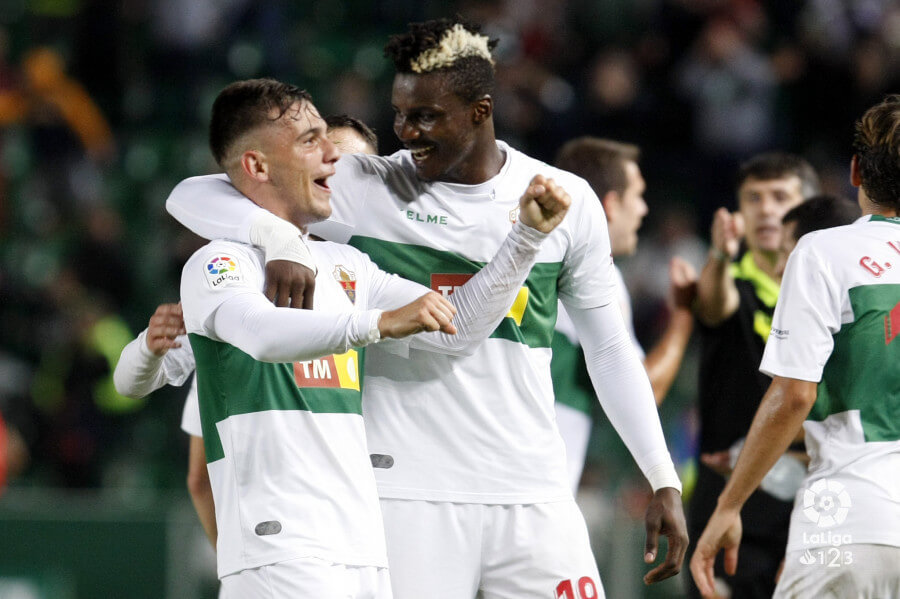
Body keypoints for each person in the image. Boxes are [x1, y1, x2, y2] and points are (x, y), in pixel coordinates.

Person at [165, 19, 687, 598]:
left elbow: (610, 349)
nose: (406, 132)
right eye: (399, 113)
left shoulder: (564, 199)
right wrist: (282, 241)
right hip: (405, 491)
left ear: (480, 111)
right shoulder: (364, 186)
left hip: (534, 489)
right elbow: (194, 192)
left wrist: (661, 476)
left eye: (427, 117)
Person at [184, 78, 572, 597]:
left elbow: (454, 330)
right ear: (257, 166)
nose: (332, 157)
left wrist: (525, 239)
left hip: (361, 550)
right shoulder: (219, 261)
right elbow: (260, 333)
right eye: (309, 140)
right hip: (282, 546)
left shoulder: (350, 267)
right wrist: (376, 324)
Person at [114, 117, 383, 549]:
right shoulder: (248, 278)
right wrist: (238, 564)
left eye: (354, 171)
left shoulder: (376, 278)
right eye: (326, 161)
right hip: (293, 539)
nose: (336, 175)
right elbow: (199, 474)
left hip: (379, 538)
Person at [690, 94, 900, 599]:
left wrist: (729, 504)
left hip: (853, 518)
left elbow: (794, 396)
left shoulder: (825, 251)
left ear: (853, 171)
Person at [686, 151, 820, 598]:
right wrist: (720, 258)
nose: (765, 209)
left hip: (806, 509)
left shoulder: (828, 295)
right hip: (727, 502)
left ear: (806, 208)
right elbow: (713, 305)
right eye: (753, 198)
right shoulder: (730, 277)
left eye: (780, 197)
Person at [552, 137, 697, 491]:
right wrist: (682, 316)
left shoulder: (538, 255)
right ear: (612, 204)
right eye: (638, 195)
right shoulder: (594, 271)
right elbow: (645, 389)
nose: (644, 210)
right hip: (537, 489)